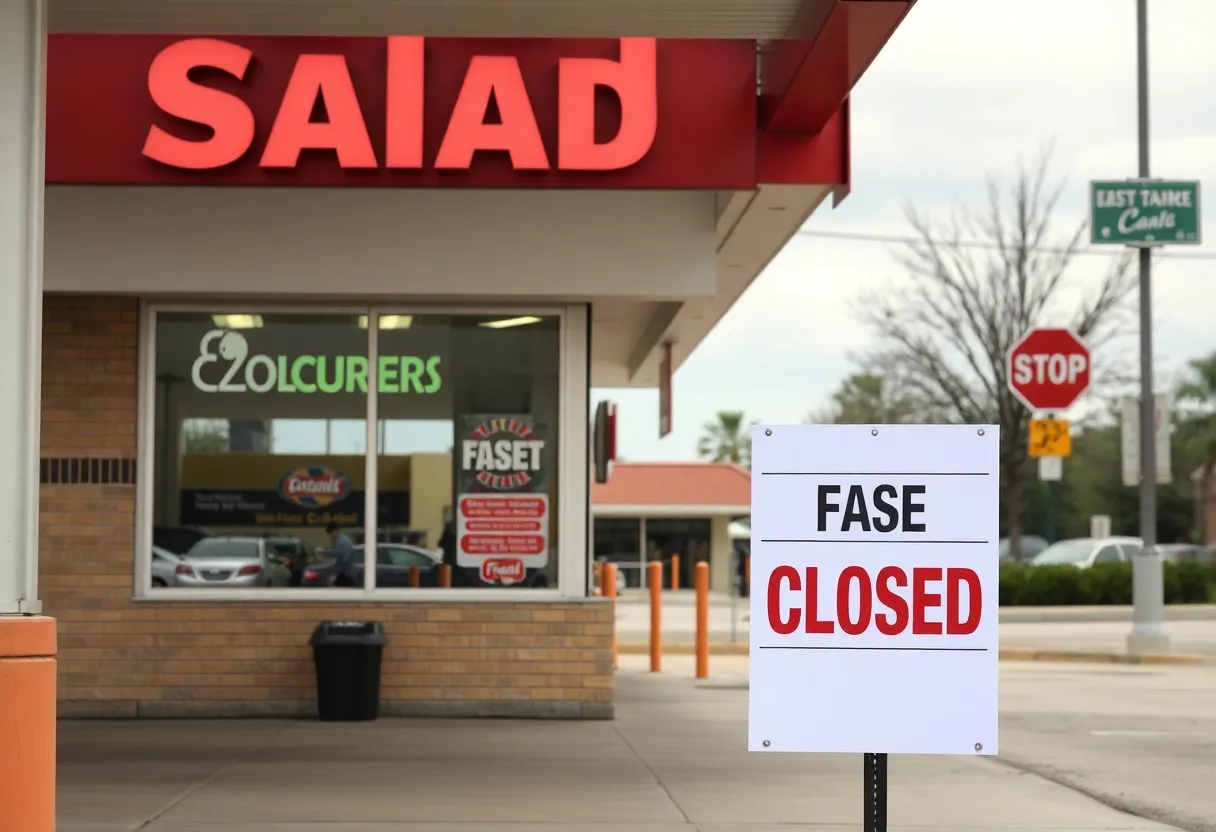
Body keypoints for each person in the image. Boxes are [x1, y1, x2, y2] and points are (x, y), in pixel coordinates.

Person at [326, 522, 356, 587]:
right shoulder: (344, 540)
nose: (331, 537)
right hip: (347, 573)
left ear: (335, 531)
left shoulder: (342, 542)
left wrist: (334, 575)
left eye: (331, 534)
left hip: (345, 574)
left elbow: (342, 560)